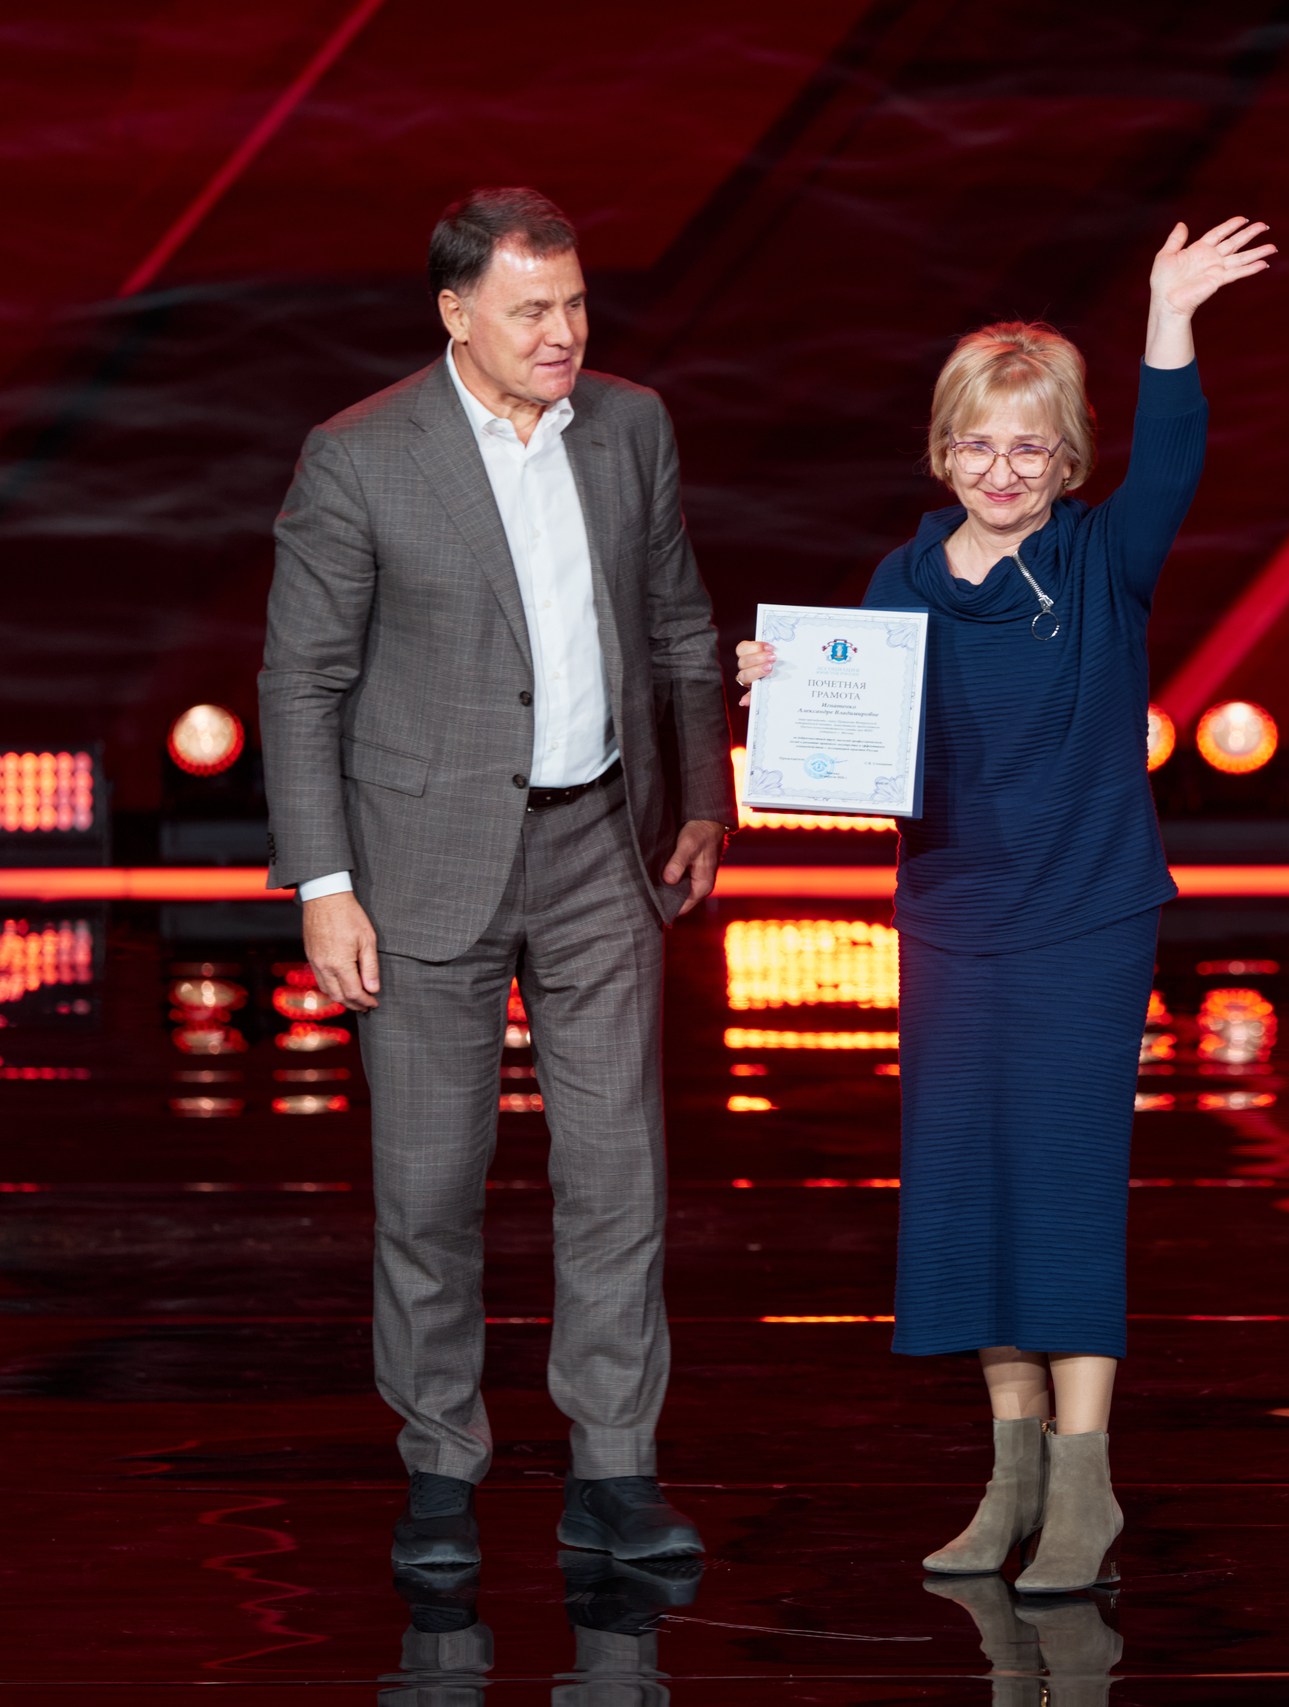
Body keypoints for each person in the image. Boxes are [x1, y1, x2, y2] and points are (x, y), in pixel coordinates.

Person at [737, 216, 1273, 1592]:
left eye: (1029, 449)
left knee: (1066, 1187)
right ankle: (1009, 1478)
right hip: (952, 920)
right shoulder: (900, 584)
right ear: (942, 450)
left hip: (1085, 917)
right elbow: (868, 758)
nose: (1001, 470)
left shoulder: (1102, 560)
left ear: (1067, 458)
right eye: (977, 444)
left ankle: (1085, 1493)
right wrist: (780, 697)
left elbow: (1176, 459)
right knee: (968, 1191)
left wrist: (1168, 317)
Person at [260, 186, 735, 1567]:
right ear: (455, 313)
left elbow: (680, 622)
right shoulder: (358, 455)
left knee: (619, 1175)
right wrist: (324, 884)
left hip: (601, 844)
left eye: (576, 303)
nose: (563, 332)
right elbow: (301, 681)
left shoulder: (633, 426)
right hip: (418, 860)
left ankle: (614, 1469)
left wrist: (702, 798)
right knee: (426, 1187)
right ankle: (439, 1469)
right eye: (532, 310)